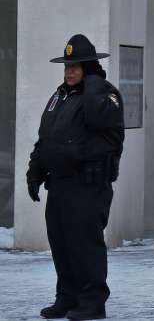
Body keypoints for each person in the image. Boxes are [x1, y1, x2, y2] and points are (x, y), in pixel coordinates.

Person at [27, 34, 125, 319]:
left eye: (77, 66)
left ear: (90, 68)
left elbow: (98, 124)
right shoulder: (60, 96)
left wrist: (94, 82)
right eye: (67, 66)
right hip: (60, 184)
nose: (69, 71)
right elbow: (46, 138)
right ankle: (67, 298)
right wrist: (35, 171)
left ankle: (92, 302)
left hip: (88, 185)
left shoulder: (104, 96)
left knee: (84, 245)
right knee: (61, 243)